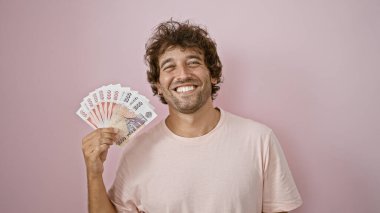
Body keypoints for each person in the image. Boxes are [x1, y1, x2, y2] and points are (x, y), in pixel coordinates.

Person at [81, 19, 303, 213]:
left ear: (213, 75)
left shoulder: (259, 140)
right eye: (169, 67)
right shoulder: (136, 151)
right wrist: (93, 173)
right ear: (158, 85)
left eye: (193, 62)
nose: (183, 74)